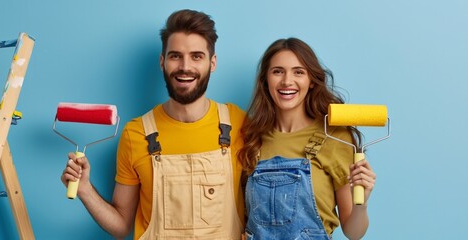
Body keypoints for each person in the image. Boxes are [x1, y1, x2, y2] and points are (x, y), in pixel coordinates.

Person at [61, 9, 246, 239]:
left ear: (213, 62)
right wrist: (85, 189)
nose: (185, 67)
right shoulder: (136, 133)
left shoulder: (238, 123)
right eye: (175, 55)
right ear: (162, 61)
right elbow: (121, 226)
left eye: (196, 56)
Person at [238, 38, 376, 240]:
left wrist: (361, 204)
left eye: (298, 72)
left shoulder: (336, 138)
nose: (287, 81)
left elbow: (354, 233)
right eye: (277, 71)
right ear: (265, 80)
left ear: (311, 81)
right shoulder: (250, 138)